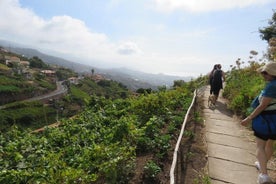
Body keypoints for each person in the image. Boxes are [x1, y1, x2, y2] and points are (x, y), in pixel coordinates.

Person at [241, 62, 276, 184]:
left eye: (265, 73)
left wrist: (248, 118)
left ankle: (264, 175)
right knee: (270, 144)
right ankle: (262, 164)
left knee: (260, 146)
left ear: (271, 74)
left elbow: (262, 106)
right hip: (274, 120)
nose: (263, 75)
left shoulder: (272, 86)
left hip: (266, 120)